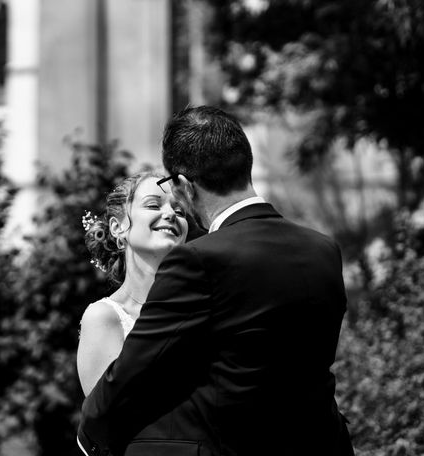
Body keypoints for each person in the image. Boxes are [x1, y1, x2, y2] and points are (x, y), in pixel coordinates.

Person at [77, 106, 354, 456]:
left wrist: (88, 438)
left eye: (172, 196)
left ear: (182, 186)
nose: (171, 210)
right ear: (245, 163)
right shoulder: (324, 250)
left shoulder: (200, 261)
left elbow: (130, 381)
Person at [77, 172, 190, 396]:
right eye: (153, 205)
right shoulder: (103, 317)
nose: (170, 214)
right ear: (118, 228)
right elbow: (105, 418)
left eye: (179, 210)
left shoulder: (201, 306)